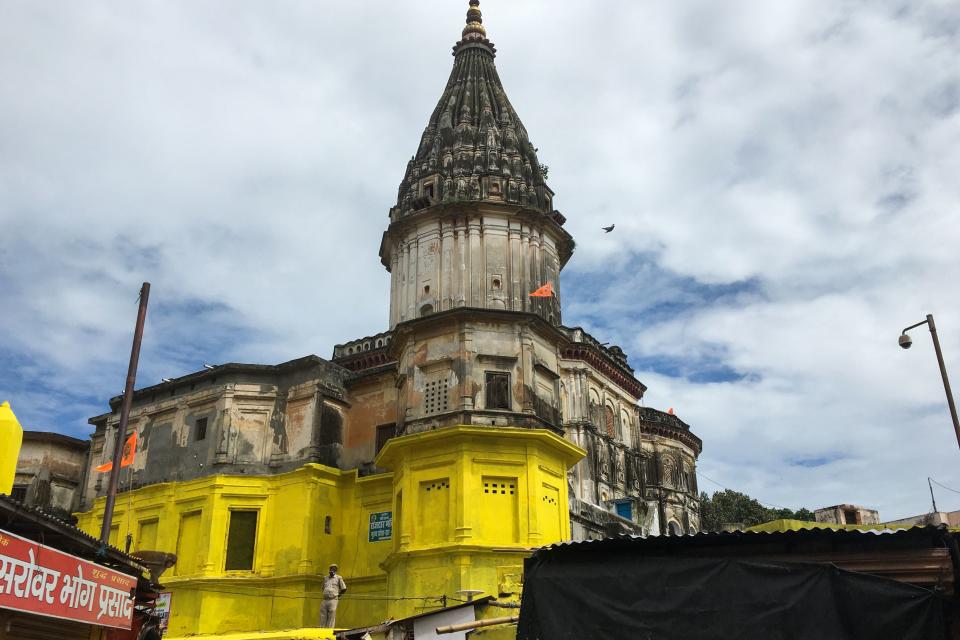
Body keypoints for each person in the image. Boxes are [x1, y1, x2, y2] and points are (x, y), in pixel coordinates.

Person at [320, 563, 346, 628]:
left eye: (334, 568)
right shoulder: (325, 578)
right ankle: (321, 629)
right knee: (322, 614)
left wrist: (337, 595)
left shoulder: (338, 578)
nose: (332, 569)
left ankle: (329, 630)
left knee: (332, 613)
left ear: (335, 570)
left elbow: (344, 588)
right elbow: (323, 587)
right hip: (325, 599)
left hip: (333, 599)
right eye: (331, 568)